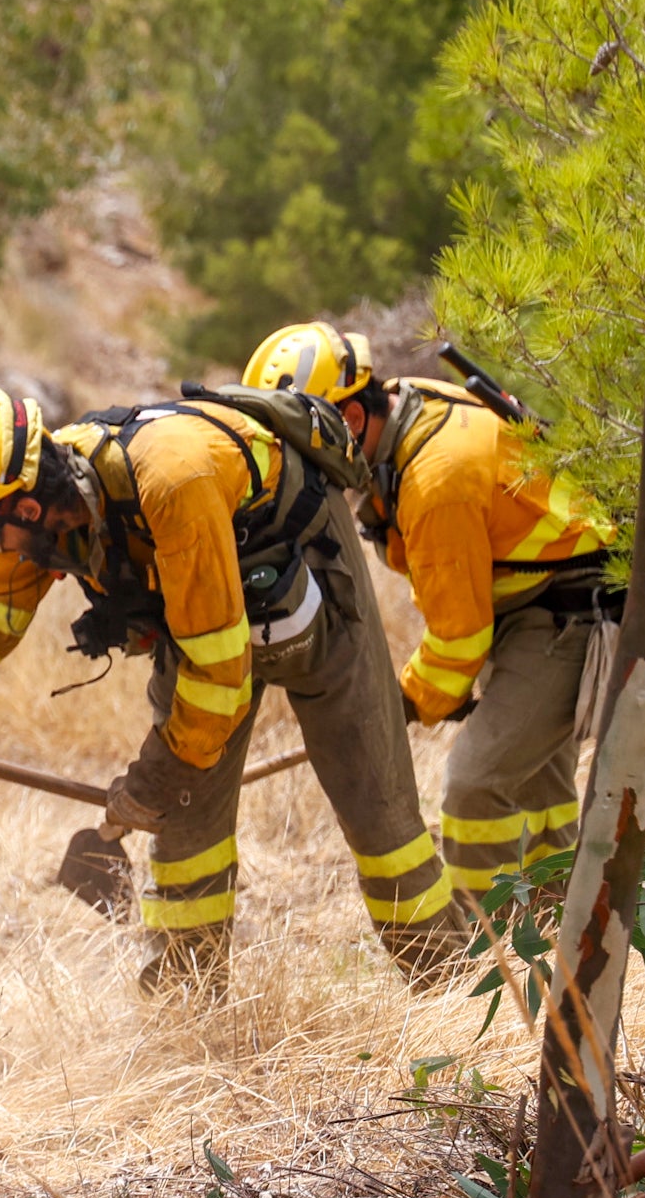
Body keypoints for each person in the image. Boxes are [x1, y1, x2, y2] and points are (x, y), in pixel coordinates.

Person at [0, 385, 465, 994]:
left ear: (26, 505)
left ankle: (445, 982)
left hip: (313, 590)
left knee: (380, 816)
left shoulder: (172, 482)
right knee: (186, 827)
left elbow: (218, 674)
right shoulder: (30, 511)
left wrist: (153, 777)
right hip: (203, 616)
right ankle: (190, 999)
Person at [243, 323, 621, 900]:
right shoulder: (409, 406)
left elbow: (459, 641)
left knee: (476, 787)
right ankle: (558, 927)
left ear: (349, 419)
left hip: (569, 614)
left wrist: (400, 704)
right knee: (536, 792)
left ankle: (487, 949)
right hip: (529, 605)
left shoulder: (436, 478)